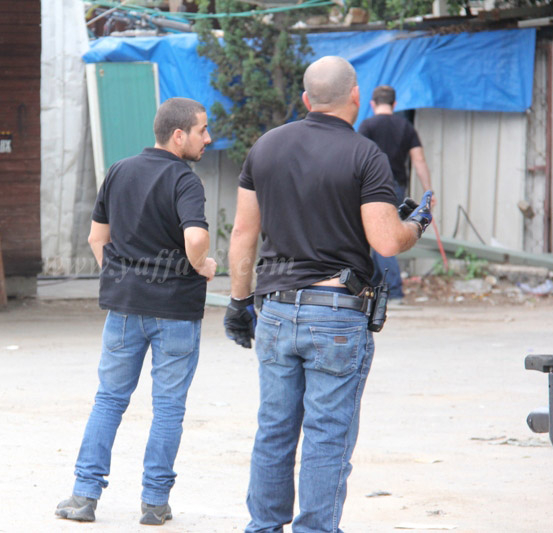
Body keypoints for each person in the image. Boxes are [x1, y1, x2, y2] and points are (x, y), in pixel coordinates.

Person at [223, 56, 431, 532]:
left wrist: (238, 302)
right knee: (327, 435)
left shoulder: (265, 147)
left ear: (306, 99)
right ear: (355, 96)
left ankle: (263, 526)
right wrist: (416, 223)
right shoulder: (365, 155)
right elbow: (386, 241)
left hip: (275, 311)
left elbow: (242, 233)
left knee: (274, 429)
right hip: (336, 313)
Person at [55, 97, 217, 526]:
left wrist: (120, 277)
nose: (208, 138)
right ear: (179, 135)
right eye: (202, 130)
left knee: (109, 400)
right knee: (168, 407)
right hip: (176, 311)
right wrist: (203, 264)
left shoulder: (119, 171)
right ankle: (154, 503)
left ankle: (83, 496)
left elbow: (96, 238)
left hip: (124, 308)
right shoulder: (185, 181)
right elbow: (195, 238)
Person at [358, 85, 435, 300]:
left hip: (371, 186)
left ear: (372, 104)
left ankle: (393, 289)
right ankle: (377, 286)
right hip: (396, 186)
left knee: (380, 235)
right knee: (384, 233)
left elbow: (358, 158)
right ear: (395, 104)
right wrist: (428, 191)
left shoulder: (367, 126)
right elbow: (418, 160)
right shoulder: (405, 127)